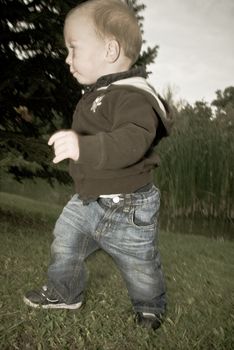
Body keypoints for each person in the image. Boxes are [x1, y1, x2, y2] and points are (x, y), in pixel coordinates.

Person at [23, 0, 173, 330]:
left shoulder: (133, 95)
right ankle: (65, 292)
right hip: (88, 200)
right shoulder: (98, 94)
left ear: (110, 50)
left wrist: (82, 145)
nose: (67, 59)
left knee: (139, 264)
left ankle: (149, 306)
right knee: (65, 239)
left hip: (129, 206)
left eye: (73, 48)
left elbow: (132, 141)